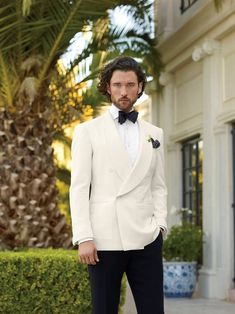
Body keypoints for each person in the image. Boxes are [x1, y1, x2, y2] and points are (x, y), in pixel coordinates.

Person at [70, 56, 167, 314]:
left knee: (153, 310)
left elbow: (158, 186)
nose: (124, 91)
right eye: (118, 85)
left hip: (146, 237)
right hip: (103, 239)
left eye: (130, 85)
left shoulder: (154, 133)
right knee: (104, 310)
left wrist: (160, 227)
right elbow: (79, 187)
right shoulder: (87, 131)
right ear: (108, 87)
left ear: (139, 87)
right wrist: (84, 237)